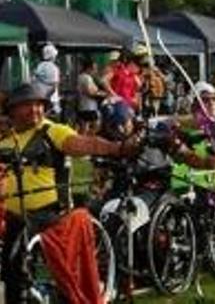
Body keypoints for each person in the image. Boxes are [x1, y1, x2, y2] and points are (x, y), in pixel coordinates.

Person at [0, 83, 138, 303]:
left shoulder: (51, 131)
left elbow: (84, 144)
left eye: (38, 105)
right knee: (9, 263)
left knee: (17, 257)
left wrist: (117, 149)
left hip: (49, 215)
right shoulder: (5, 139)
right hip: (11, 216)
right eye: (27, 106)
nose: (35, 110)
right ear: (12, 111)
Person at [76, 58, 105, 135]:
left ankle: (83, 141)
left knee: (84, 126)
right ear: (89, 68)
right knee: (96, 125)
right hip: (89, 107)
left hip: (83, 106)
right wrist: (101, 94)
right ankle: (88, 140)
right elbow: (90, 92)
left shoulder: (81, 77)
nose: (95, 71)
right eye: (94, 69)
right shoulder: (86, 78)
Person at [33, 43, 62, 118]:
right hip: (51, 99)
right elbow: (54, 84)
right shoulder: (53, 67)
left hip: (40, 96)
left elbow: (34, 79)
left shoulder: (40, 65)